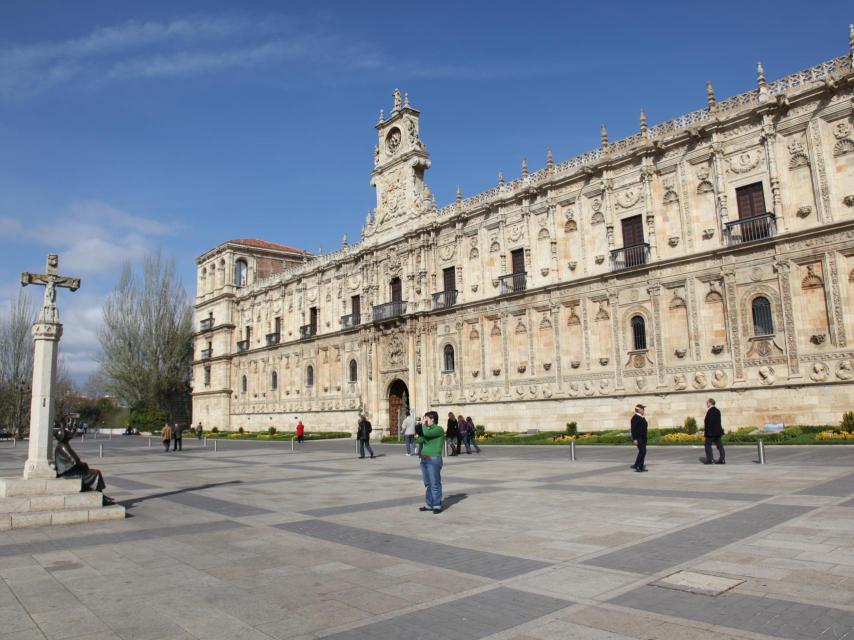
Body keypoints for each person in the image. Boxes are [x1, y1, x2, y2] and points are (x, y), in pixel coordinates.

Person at [53, 425, 114, 504]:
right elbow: (75, 460)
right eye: (67, 433)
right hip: (68, 472)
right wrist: (83, 465)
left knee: (91, 472)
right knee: (96, 473)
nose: (69, 434)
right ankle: (101, 498)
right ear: (64, 437)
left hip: (69, 470)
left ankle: (101, 496)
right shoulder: (63, 447)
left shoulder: (62, 445)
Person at [417, 411, 445, 514]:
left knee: (435, 483)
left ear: (432, 419)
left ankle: (437, 505)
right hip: (424, 458)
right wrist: (419, 430)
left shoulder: (439, 429)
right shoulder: (427, 429)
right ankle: (429, 504)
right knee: (428, 483)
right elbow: (420, 440)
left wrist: (423, 426)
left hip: (433, 459)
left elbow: (427, 434)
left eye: (426, 419)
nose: (425, 420)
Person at [702, 398, 726, 464]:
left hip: (711, 432)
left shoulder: (710, 411)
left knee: (707, 445)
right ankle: (722, 459)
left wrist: (708, 432)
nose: (706, 404)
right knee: (720, 445)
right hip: (718, 432)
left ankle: (710, 460)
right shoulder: (717, 410)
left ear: (710, 403)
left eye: (707, 403)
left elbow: (710, 422)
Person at [630, 404, 648, 472]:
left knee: (642, 451)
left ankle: (639, 466)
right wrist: (634, 439)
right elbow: (633, 429)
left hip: (643, 437)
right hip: (638, 437)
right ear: (638, 410)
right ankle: (638, 466)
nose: (643, 410)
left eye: (643, 409)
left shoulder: (642, 417)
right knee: (643, 451)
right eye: (642, 409)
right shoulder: (635, 417)